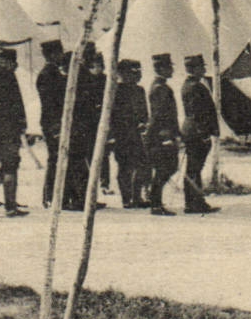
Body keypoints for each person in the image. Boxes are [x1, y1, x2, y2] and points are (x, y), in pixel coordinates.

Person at [64, 46, 104, 212]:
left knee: (78, 162)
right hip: (81, 125)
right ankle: (81, 198)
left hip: (81, 124)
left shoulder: (79, 74)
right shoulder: (82, 75)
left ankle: (80, 197)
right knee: (78, 162)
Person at [180, 54, 220, 215]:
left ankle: (194, 201)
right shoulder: (195, 87)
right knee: (194, 169)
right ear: (193, 69)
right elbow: (198, 113)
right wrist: (204, 133)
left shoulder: (191, 85)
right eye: (201, 67)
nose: (204, 69)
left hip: (193, 131)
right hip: (196, 133)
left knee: (194, 169)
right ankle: (193, 203)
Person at [0, 45, 28, 217]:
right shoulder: (8, 77)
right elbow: (16, 104)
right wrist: (22, 123)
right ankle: (10, 204)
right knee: (10, 166)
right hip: (9, 128)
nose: (15, 66)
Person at [111, 58, 149, 209]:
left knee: (142, 164)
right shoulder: (116, 91)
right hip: (122, 135)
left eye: (139, 72)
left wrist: (144, 122)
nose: (138, 75)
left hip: (137, 134)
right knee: (125, 166)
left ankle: (137, 196)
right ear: (123, 73)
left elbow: (144, 112)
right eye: (134, 72)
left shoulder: (140, 90)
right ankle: (127, 199)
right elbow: (113, 115)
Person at [146, 53, 180, 216]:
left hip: (163, 134)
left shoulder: (161, 86)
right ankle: (155, 203)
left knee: (166, 168)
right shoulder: (160, 88)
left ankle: (155, 202)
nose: (172, 69)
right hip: (161, 136)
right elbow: (159, 115)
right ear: (161, 69)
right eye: (169, 67)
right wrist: (166, 136)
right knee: (164, 168)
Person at [36, 38, 68, 209]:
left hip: (54, 122)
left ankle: (56, 195)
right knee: (54, 158)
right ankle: (49, 196)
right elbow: (49, 103)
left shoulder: (54, 73)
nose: (61, 55)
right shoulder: (48, 75)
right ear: (52, 54)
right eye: (59, 52)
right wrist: (56, 126)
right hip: (52, 123)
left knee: (57, 158)